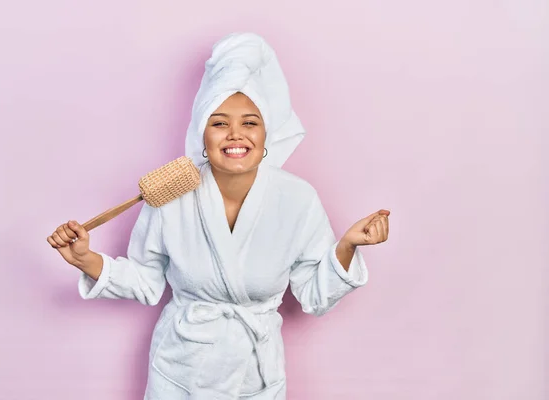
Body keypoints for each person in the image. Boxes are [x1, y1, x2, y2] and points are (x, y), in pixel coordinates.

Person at [47, 32, 390, 400]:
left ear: (266, 134)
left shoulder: (297, 199)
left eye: (250, 122)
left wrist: (348, 246)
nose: (235, 134)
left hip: (255, 376)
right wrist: (85, 259)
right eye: (220, 122)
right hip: (180, 371)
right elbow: (146, 282)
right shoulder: (171, 196)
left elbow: (314, 295)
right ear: (202, 135)